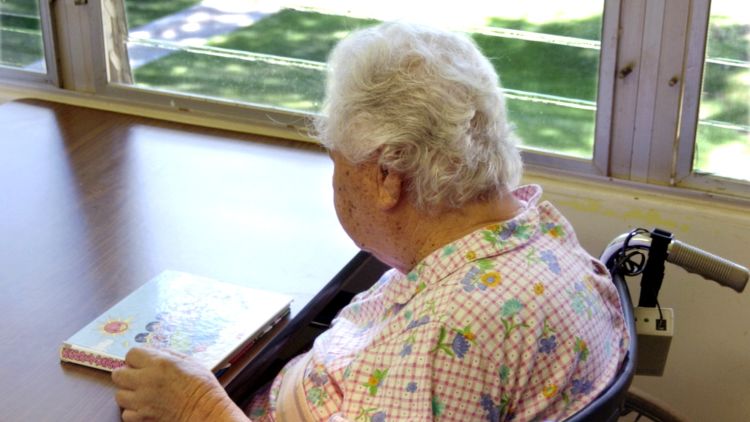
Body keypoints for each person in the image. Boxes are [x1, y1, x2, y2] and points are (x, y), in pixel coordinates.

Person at [112, 21, 628, 422]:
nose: (336, 179)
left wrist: (199, 409)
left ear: (387, 176)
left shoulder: (451, 335)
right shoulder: (539, 233)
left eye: (338, 161)